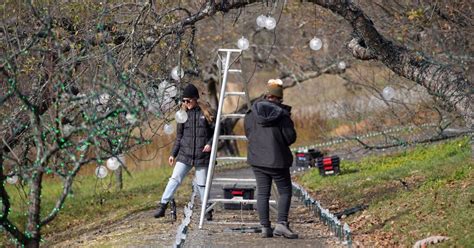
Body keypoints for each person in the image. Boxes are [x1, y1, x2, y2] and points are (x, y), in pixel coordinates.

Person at [244, 79, 298, 239]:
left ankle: (265, 227)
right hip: (278, 160)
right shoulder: (282, 114)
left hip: (257, 159)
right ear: (279, 97)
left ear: (267, 95)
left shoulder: (251, 112)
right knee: (285, 191)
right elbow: (290, 138)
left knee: (262, 193)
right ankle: (281, 224)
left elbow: (248, 133)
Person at [154, 83, 215, 220]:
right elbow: (179, 137)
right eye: (184, 101)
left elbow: (217, 132)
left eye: (189, 100)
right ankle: (163, 205)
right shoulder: (182, 116)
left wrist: (210, 144)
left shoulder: (206, 114)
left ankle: (208, 209)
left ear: (195, 99)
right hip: (185, 155)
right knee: (174, 179)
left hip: (202, 156)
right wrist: (173, 154)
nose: (186, 103)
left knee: (202, 184)